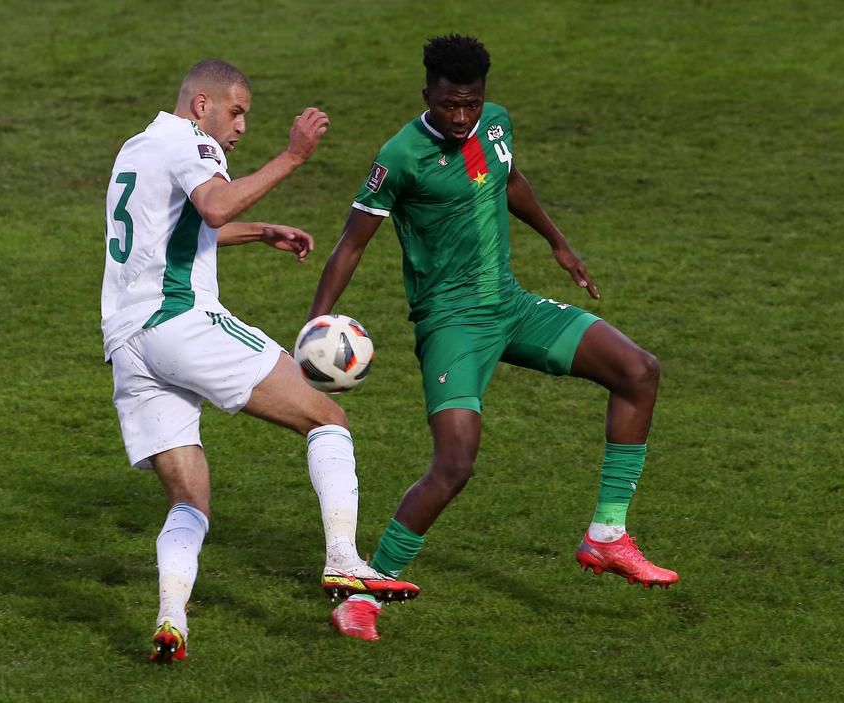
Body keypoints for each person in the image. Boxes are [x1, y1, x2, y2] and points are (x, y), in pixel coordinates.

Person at [307, 36, 678, 642]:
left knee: (638, 370)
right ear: (426, 92)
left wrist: (557, 241)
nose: (461, 118)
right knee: (454, 464)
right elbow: (351, 244)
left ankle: (607, 535)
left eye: (472, 105)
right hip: (452, 325)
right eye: (451, 104)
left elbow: (504, 180)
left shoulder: (490, 127)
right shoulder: (400, 156)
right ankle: (366, 590)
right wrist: (317, 324)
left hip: (511, 306)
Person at [100, 59, 418, 662]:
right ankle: (345, 562)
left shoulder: (136, 147)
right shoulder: (192, 142)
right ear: (202, 106)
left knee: (189, 501)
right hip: (181, 321)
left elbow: (178, 232)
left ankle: (172, 620)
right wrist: (293, 156)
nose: (241, 127)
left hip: (128, 343)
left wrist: (259, 231)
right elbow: (215, 206)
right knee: (326, 417)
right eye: (237, 111)